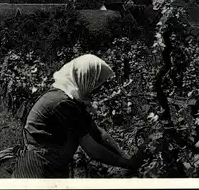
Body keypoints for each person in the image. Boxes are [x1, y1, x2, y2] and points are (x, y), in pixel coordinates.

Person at [11, 54, 143, 178]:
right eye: (96, 82)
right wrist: (126, 163)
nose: (98, 88)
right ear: (85, 78)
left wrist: (126, 158)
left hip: (51, 165)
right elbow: (92, 149)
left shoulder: (73, 99)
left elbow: (98, 134)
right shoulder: (64, 102)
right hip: (38, 169)